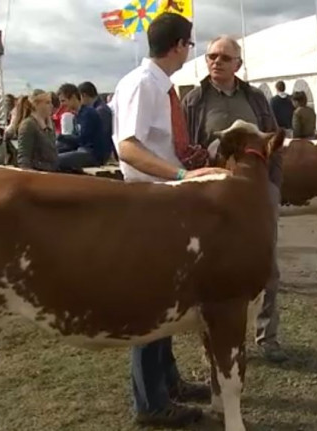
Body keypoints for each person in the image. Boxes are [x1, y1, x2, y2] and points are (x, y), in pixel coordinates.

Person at [110, 12, 225, 427]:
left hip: (165, 199)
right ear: (179, 45)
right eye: (190, 44)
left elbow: (159, 143)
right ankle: (150, 403)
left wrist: (191, 160)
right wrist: (180, 174)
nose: (189, 51)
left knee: (167, 301)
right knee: (151, 304)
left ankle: (167, 383)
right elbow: (128, 147)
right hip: (150, 200)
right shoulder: (144, 85)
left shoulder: (159, 85)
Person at [181, 35, 287, 363]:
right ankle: (209, 343)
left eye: (224, 57)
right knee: (209, 269)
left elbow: (274, 140)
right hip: (212, 196)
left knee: (265, 262)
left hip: (255, 194)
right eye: (211, 56)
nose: (216, 61)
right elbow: (183, 147)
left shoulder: (255, 98)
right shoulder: (194, 100)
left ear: (238, 64)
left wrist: (272, 186)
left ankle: (267, 337)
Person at [55, 83, 110, 171]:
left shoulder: (88, 114)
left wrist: (60, 137)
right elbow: (75, 141)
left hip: (93, 154)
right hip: (82, 150)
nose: (62, 105)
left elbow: (82, 140)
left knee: (55, 160)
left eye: (63, 101)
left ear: (73, 97)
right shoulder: (78, 115)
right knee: (51, 155)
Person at [14, 90, 59, 172]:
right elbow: (24, 158)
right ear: (36, 105)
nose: (51, 106)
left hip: (51, 172)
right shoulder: (28, 125)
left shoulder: (50, 124)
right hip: (37, 174)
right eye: (47, 103)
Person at [78, 81, 116, 162]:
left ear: (84, 95)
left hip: (98, 153)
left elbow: (103, 135)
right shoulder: (99, 108)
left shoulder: (100, 111)